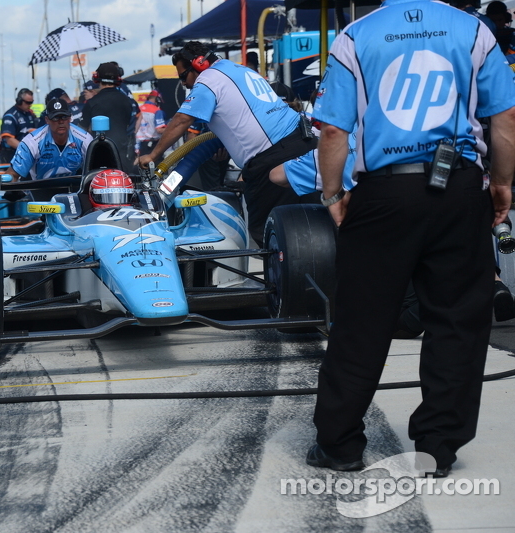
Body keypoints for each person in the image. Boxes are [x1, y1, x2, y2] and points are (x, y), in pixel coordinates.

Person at [308, 0, 515, 477]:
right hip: (459, 185)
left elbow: (334, 130)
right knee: (457, 320)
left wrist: (332, 193)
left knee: (361, 318)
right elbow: (503, 118)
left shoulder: (355, 37)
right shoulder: (474, 30)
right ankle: (437, 449)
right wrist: (502, 185)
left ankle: (339, 444)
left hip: (384, 193)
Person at [137, 41, 317, 246]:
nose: (184, 84)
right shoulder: (237, 70)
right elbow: (211, 141)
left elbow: (181, 120)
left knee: (271, 236)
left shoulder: (209, 79)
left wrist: (153, 156)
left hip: (273, 159)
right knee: (314, 223)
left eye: (183, 76)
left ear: (199, 64)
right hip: (304, 144)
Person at [6, 98, 93, 181]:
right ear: (47, 120)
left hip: (75, 191)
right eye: (55, 118)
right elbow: (13, 173)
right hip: (41, 191)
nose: (61, 122)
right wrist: (10, 187)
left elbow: (96, 171)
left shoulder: (85, 139)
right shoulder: (31, 142)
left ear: (70, 118)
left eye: (64, 117)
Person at [81, 62, 136, 173]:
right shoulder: (127, 101)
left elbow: (82, 131)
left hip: (97, 159)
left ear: (96, 78)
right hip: (122, 159)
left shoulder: (92, 103)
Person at [0, 88, 40, 163]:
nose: (30, 105)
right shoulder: (10, 115)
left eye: (31, 102)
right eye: (28, 102)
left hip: (28, 156)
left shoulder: (30, 115)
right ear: (19, 101)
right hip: (12, 155)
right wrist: (27, 150)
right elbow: (10, 140)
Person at [136, 90, 166, 157]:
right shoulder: (157, 111)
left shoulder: (139, 108)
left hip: (139, 144)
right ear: (157, 99)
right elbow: (159, 130)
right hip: (153, 144)